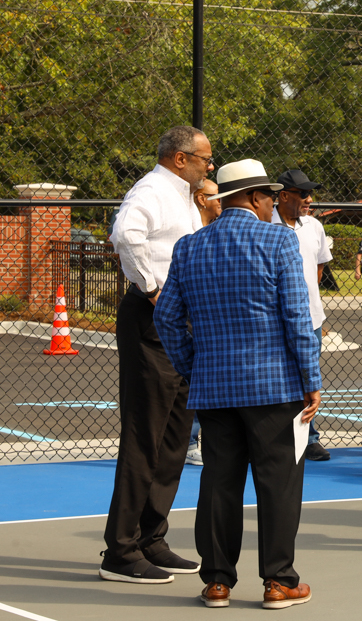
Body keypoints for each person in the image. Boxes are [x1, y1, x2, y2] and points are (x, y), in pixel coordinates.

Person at [155, 159, 322, 609]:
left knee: (219, 482)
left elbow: (166, 317)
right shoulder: (279, 240)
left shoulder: (190, 247)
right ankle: (278, 581)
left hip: (214, 385)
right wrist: (311, 378)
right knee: (278, 483)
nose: (273, 202)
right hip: (275, 386)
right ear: (253, 197)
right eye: (269, 195)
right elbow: (296, 317)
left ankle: (216, 582)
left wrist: (193, 367)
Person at [101, 125, 212, 584]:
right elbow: (125, 235)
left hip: (180, 323)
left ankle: (151, 536)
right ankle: (121, 551)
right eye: (205, 157)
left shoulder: (187, 197)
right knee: (145, 435)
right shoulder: (151, 189)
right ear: (180, 158)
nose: (210, 164)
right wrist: (152, 289)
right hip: (153, 323)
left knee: (174, 436)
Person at [272, 169, 334, 462]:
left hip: (310, 319)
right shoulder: (265, 224)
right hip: (274, 321)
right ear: (283, 196)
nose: (310, 199)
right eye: (303, 194)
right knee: (274, 380)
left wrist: (305, 299)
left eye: (311, 193)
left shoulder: (314, 227)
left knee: (308, 381)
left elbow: (318, 269)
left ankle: (308, 439)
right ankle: (273, 440)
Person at [186, 178, 222, 467]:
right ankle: (187, 443)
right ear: (201, 199)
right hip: (191, 318)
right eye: (216, 196)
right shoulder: (189, 233)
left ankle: (198, 440)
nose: (222, 201)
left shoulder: (214, 232)